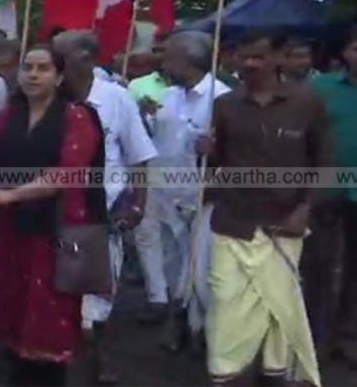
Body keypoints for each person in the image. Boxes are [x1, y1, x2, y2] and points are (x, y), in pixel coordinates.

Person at [204, 29, 330, 386]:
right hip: (233, 223)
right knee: (225, 300)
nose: (249, 63)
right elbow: (218, 165)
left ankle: (276, 373)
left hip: (283, 223)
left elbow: (324, 161)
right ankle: (224, 372)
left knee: (279, 305)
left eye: (258, 56)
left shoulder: (307, 102)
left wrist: (306, 207)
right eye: (244, 56)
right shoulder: (225, 105)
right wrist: (207, 153)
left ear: (278, 59)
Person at [0, 45, 107, 387]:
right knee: (11, 323)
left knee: (47, 331)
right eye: (27, 68)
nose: (33, 75)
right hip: (9, 232)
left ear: (60, 76)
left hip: (54, 236)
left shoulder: (77, 116)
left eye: (43, 68)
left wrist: (11, 194)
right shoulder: (7, 117)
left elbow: (68, 173)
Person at [51, 31, 157, 385]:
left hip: (103, 218)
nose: (55, 61)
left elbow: (139, 156)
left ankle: (97, 365)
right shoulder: (47, 97)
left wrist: (138, 205)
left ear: (87, 58)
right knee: (59, 302)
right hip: (53, 216)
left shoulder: (117, 99)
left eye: (61, 55)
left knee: (95, 308)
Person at [134, 32, 230, 339]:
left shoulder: (220, 98)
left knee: (200, 267)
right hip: (163, 191)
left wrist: (214, 151)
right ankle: (176, 315)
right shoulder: (171, 96)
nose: (162, 63)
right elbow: (162, 138)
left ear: (187, 60)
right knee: (171, 260)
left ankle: (201, 329)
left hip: (200, 194)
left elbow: (234, 150)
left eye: (168, 57)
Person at [309, 26, 357, 362]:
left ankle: (349, 335)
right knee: (318, 263)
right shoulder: (320, 88)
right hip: (325, 188)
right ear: (345, 53)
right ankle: (313, 335)